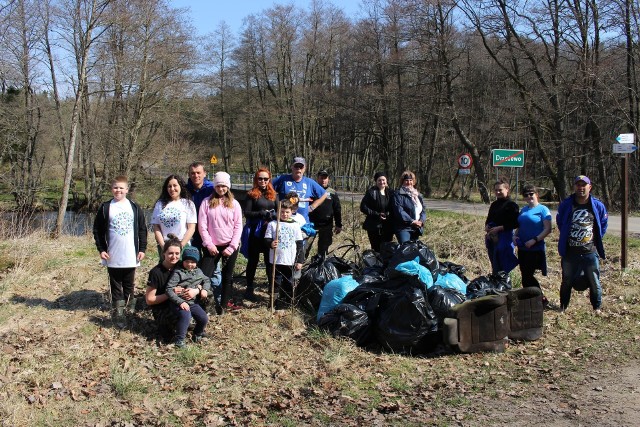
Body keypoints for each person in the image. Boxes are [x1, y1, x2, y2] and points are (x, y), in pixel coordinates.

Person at [93, 175, 147, 328]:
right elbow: (97, 230)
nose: (118, 190)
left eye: (121, 188)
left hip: (131, 253)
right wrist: (101, 249)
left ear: (127, 190)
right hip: (112, 254)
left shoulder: (134, 207)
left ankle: (130, 309)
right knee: (116, 283)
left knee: (129, 283)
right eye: (115, 187)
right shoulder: (106, 207)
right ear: (111, 189)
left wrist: (142, 248)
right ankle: (119, 312)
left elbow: (142, 229)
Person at [556, 175, 608, 314]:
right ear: (574, 187)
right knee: (566, 280)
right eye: (578, 185)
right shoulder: (567, 204)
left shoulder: (597, 205)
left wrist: (594, 239)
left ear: (589, 187)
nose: (581, 188)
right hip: (570, 251)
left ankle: (596, 308)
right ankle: (563, 306)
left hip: (590, 251)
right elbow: (560, 222)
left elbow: (602, 225)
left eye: (583, 185)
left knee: (594, 280)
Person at [198, 171, 243, 313]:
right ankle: (203, 305)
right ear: (214, 186)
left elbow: (238, 225)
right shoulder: (206, 202)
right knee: (204, 275)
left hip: (230, 245)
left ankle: (223, 305)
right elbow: (202, 225)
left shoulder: (234, 204)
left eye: (224, 186)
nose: (221, 189)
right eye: (218, 186)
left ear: (228, 186)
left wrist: (232, 246)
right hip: (211, 246)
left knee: (227, 276)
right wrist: (209, 244)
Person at [145, 237, 200, 342]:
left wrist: (196, 290)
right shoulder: (156, 272)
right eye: (170, 253)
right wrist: (170, 294)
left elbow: (202, 281)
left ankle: (197, 329)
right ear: (163, 253)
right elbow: (149, 300)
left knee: (206, 295)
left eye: (177, 253)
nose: (174, 256)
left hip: (182, 303)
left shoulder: (184, 266)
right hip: (163, 308)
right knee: (168, 337)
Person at [513, 184, 552, 306]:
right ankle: (530, 299)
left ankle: (540, 298)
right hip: (523, 248)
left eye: (531, 194)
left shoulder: (543, 209)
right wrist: (514, 236)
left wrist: (535, 240)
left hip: (535, 248)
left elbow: (547, 229)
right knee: (524, 274)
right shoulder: (524, 210)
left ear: (537, 195)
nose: (529, 196)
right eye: (526, 195)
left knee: (528, 275)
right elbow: (519, 226)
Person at [242, 167, 278, 301]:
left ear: (269, 180)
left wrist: (273, 214)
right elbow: (247, 213)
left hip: (269, 232)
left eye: (265, 179)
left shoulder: (274, 195)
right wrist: (261, 213)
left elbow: (279, 211)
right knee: (253, 261)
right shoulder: (251, 194)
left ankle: (271, 288)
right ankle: (249, 288)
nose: (262, 181)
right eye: (260, 178)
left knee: (270, 262)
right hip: (255, 232)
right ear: (256, 179)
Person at [165, 246, 211, 347]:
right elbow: (169, 289)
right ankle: (179, 339)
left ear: (197, 262)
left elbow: (206, 280)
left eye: (193, 262)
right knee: (186, 316)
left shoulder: (198, 271)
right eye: (187, 261)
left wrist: (204, 289)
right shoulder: (178, 272)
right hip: (178, 302)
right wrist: (180, 302)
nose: (190, 264)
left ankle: (198, 333)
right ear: (183, 260)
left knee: (203, 318)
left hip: (193, 302)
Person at [264, 198, 304, 310]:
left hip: (290, 260)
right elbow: (266, 239)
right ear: (278, 211)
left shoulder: (295, 225)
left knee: (288, 282)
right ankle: (273, 303)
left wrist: (300, 260)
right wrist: (271, 243)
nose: (284, 214)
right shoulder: (273, 224)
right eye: (282, 212)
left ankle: (285, 303)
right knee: (275, 282)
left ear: (292, 212)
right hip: (276, 260)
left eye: (287, 212)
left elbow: (300, 244)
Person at [150, 175, 197, 256]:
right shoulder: (160, 204)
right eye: (169, 186)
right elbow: (156, 227)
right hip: (165, 244)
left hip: (182, 244)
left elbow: (191, 228)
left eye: (175, 185)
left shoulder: (188, 204)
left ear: (181, 186)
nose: (172, 189)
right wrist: (163, 246)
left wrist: (181, 245)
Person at [271, 156, 327, 222]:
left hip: (302, 222)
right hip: (284, 221)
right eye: (296, 166)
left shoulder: (309, 182)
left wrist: (312, 207)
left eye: (301, 167)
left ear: (304, 168)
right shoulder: (282, 179)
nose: (298, 169)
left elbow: (324, 194)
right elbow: (267, 187)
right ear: (291, 167)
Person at [485, 178, 520, 274]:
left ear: (507, 189)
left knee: (503, 263)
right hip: (492, 236)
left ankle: (505, 283)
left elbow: (515, 223)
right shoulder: (494, 204)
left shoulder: (512, 205)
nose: (498, 192)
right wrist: (487, 226)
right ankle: (496, 281)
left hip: (505, 237)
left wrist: (500, 228)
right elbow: (489, 218)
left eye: (500, 190)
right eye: (496, 190)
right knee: (494, 262)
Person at [309, 170, 343, 256]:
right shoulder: (311, 190)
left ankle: (321, 265)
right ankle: (301, 266)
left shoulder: (332, 192)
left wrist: (338, 224)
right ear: (318, 179)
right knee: (305, 247)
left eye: (325, 178)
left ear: (328, 179)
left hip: (326, 224)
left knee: (323, 249)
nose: (323, 180)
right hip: (311, 224)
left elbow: (337, 209)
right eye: (321, 178)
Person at [360, 171, 394, 252]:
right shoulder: (371, 192)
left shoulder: (391, 192)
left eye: (383, 180)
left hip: (387, 225)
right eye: (379, 180)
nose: (382, 182)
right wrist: (376, 214)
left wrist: (388, 214)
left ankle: (385, 263)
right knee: (376, 248)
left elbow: (394, 207)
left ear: (386, 181)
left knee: (386, 247)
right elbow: (363, 207)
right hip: (373, 225)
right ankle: (377, 263)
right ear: (376, 181)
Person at [185, 162, 214, 253]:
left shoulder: (212, 189)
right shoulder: (184, 190)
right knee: (192, 260)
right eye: (192, 173)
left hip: (209, 231)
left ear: (204, 173)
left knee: (211, 262)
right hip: (191, 230)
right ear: (189, 174)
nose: (195, 175)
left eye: (198, 172)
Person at [391, 170, 426, 244]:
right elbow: (399, 211)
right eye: (406, 180)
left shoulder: (418, 195)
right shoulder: (398, 195)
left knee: (414, 251)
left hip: (416, 228)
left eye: (411, 180)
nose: (409, 182)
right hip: (403, 228)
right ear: (402, 181)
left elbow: (423, 210)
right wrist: (412, 221)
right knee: (406, 249)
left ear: (413, 181)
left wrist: (421, 221)